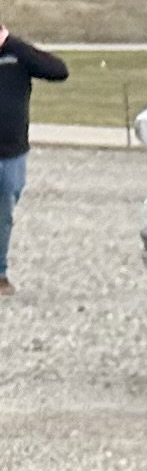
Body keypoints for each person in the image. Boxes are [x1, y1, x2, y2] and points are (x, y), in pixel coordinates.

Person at [0, 25, 68, 296]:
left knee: (4, 216)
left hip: (12, 151)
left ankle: (0, 273)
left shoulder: (17, 55)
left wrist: (13, 44)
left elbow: (58, 71)